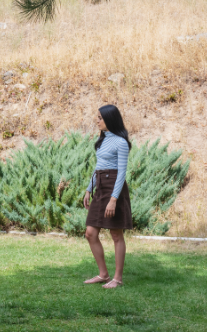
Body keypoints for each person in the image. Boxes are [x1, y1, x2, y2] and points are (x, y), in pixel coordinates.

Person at [83, 105, 133, 289]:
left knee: (116, 234)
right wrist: (89, 189)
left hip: (114, 186)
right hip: (100, 185)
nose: (97, 121)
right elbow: (98, 166)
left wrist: (114, 199)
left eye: (100, 118)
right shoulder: (102, 140)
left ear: (110, 119)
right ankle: (103, 274)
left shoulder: (121, 142)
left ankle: (117, 279)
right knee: (90, 233)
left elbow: (121, 173)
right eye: (97, 117)